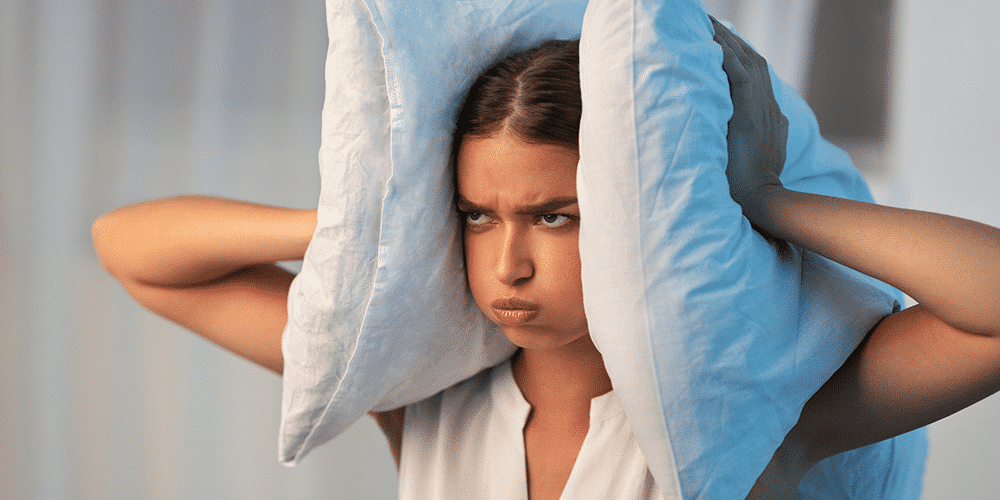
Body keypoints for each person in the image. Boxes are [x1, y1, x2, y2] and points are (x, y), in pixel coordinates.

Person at [91, 20, 1000, 499]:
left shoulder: (748, 413)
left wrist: (760, 202)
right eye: (477, 216)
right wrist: (364, 226)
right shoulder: (426, 394)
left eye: (554, 216)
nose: (508, 266)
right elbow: (130, 250)